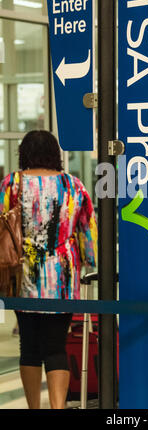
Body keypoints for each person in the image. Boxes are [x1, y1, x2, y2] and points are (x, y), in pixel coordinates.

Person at [0, 130, 98, 410]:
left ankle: (34, 407)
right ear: (55, 154)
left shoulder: (11, 184)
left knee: (29, 347)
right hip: (62, 278)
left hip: (23, 277)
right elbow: (87, 232)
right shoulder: (73, 186)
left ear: (24, 153)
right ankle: (57, 406)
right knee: (56, 346)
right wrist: (88, 258)